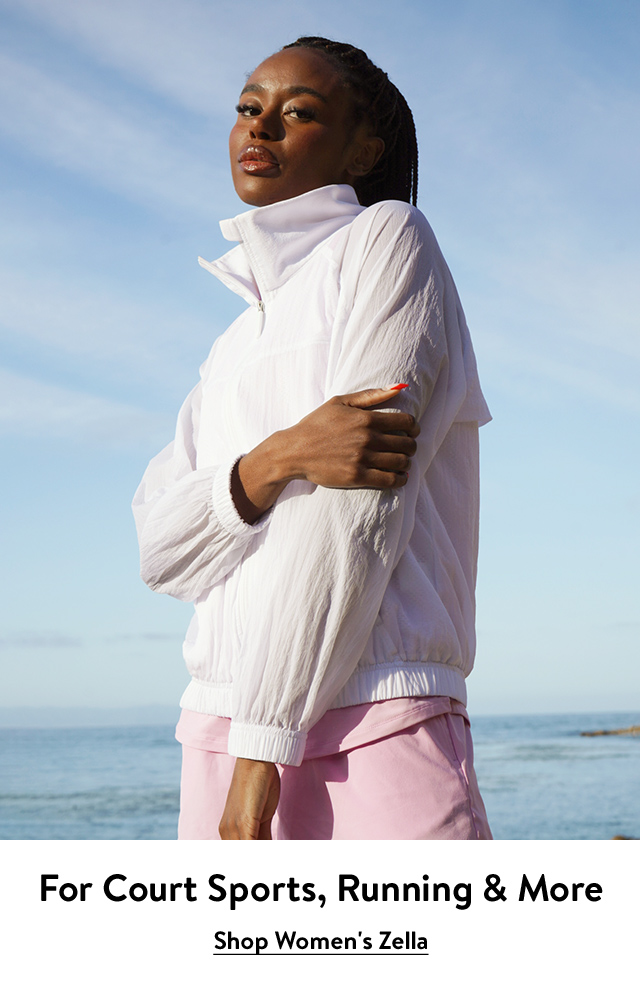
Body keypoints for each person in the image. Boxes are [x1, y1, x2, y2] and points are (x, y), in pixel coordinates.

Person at [133, 36, 493, 840]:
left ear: (364, 147)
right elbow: (160, 551)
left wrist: (261, 756)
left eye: (297, 112)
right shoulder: (230, 344)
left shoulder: (390, 240)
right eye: (248, 107)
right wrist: (279, 457)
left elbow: (356, 515)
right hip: (214, 730)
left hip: (375, 718)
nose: (260, 126)